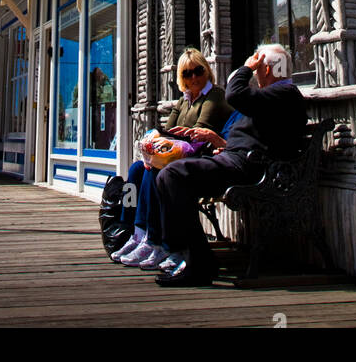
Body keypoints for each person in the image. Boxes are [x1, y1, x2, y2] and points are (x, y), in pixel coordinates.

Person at [153, 44, 307, 286]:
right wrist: (223, 144)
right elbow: (256, 137)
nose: (255, 74)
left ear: (267, 69)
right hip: (234, 159)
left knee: (173, 175)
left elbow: (234, 94)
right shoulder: (271, 97)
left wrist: (246, 67)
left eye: (258, 68)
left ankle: (195, 261)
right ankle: (184, 253)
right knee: (165, 175)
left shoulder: (283, 95)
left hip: (247, 169)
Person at [112, 49, 230, 271]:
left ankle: (155, 240)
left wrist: (165, 141)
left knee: (153, 170)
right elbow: (165, 130)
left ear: (207, 70)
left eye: (198, 71)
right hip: (176, 155)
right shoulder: (183, 100)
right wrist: (154, 145)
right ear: (181, 77)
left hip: (199, 158)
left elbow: (198, 131)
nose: (194, 77)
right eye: (187, 74)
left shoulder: (214, 94)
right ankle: (133, 231)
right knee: (136, 169)